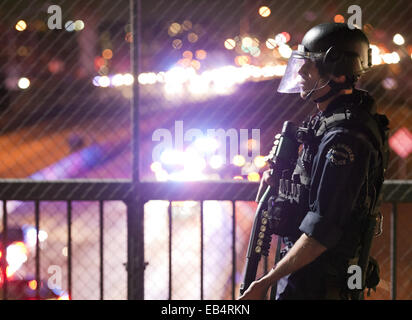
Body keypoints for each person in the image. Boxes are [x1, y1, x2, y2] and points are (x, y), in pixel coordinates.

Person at [239, 23, 389, 300]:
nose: (300, 73)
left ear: (338, 73)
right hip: (304, 273)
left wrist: (265, 283)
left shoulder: (346, 137)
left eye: (309, 67)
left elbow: (322, 231)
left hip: (319, 282)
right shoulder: (326, 120)